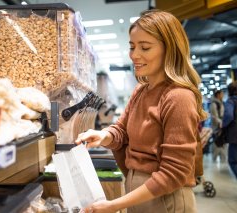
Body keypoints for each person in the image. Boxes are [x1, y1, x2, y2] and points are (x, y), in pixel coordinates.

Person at [76, 9, 207, 213]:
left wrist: (115, 205)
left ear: (169, 49)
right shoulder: (141, 91)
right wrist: (103, 136)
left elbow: (174, 173)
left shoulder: (178, 97)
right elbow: (121, 131)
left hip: (166, 200)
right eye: (132, 46)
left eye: (145, 47)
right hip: (139, 196)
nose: (134, 55)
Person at [222, 81, 237, 177]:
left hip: (235, 136)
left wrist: (223, 125)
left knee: (233, 161)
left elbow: (228, 115)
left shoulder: (231, 101)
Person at [210, 90, 227, 162]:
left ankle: (223, 159)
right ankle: (214, 158)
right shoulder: (214, 104)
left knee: (222, 142)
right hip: (217, 127)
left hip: (222, 125)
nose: (223, 95)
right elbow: (214, 116)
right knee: (217, 142)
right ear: (218, 95)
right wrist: (221, 123)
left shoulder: (221, 103)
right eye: (222, 94)